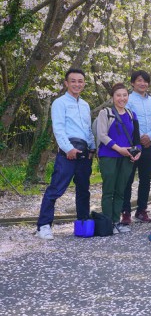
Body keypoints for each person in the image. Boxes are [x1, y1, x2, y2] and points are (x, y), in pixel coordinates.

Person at [36, 68, 96, 240]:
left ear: (84, 83)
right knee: (56, 188)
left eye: (80, 81)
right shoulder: (59, 103)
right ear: (66, 83)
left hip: (85, 151)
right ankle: (44, 225)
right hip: (68, 151)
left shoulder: (85, 105)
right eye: (73, 81)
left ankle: (83, 222)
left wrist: (92, 148)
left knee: (84, 189)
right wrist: (67, 148)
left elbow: (87, 129)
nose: (77, 84)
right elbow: (59, 129)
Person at [96, 83, 142, 234]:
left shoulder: (131, 114)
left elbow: (136, 138)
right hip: (109, 156)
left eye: (124, 95)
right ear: (112, 97)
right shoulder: (105, 113)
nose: (122, 98)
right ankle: (108, 222)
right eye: (118, 95)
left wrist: (138, 151)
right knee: (109, 189)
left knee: (121, 190)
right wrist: (118, 149)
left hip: (127, 157)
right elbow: (102, 135)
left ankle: (117, 221)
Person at [122, 70, 151, 225]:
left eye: (145, 81)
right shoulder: (128, 100)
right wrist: (138, 139)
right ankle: (125, 212)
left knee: (146, 179)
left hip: (149, 144)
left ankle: (142, 210)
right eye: (139, 80)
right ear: (132, 83)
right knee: (128, 178)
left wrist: (149, 136)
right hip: (132, 145)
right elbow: (125, 121)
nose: (142, 83)